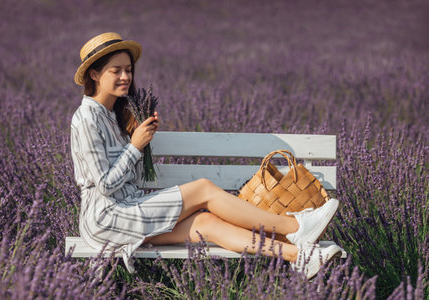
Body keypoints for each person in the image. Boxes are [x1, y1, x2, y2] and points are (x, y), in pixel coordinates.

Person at [70, 32, 343, 279]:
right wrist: (135, 147)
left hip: (127, 210)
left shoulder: (112, 116)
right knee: (204, 189)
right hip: (106, 218)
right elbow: (105, 185)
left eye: (128, 70)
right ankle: (295, 225)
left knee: (206, 223)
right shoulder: (87, 118)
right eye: (115, 71)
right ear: (94, 74)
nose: (125, 77)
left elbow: (129, 177)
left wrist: (138, 138)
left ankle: (301, 256)